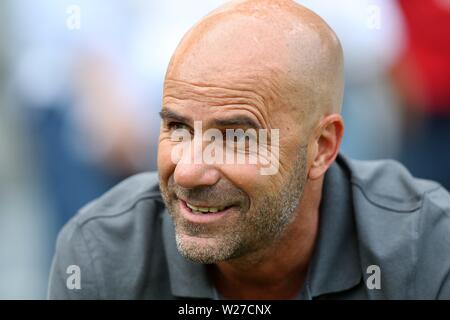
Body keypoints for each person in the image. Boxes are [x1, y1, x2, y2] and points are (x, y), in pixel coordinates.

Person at [48, 0, 450, 299]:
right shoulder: (104, 251)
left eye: (235, 138)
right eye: (177, 128)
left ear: (322, 148)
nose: (188, 172)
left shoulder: (424, 245)